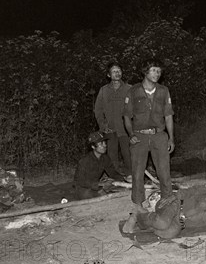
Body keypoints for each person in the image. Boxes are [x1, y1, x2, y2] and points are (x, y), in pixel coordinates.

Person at [122, 58, 176, 233]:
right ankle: (139, 205)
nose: (157, 74)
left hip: (159, 135)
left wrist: (171, 138)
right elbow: (126, 116)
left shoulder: (163, 91)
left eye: (159, 71)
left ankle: (168, 200)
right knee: (137, 172)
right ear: (145, 72)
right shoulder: (134, 91)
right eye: (153, 70)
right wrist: (131, 135)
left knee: (164, 170)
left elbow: (168, 116)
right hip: (139, 136)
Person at [94, 62, 132, 175]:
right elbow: (98, 110)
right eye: (114, 71)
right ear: (109, 75)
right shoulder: (104, 90)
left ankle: (133, 176)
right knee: (111, 155)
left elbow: (136, 109)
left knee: (128, 154)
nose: (117, 73)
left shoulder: (129, 89)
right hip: (110, 129)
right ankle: (114, 178)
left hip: (125, 129)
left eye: (119, 70)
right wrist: (103, 126)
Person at [73, 131, 128, 200]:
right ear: (93, 146)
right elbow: (79, 181)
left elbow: (113, 173)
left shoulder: (105, 158)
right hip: (84, 188)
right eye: (101, 144)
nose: (104, 145)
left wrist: (124, 178)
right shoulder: (85, 161)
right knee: (91, 195)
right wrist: (100, 184)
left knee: (120, 189)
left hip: (98, 186)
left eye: (104, 142)